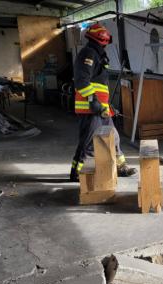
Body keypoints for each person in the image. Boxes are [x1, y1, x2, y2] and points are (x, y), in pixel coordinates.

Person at [69, 24, 136, 182]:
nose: (105, 43)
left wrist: (106, 105)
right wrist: (94, 103)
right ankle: (78, 172)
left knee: (114, 137)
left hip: (100, 108)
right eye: (104, 40)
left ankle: (120, 166)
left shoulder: (97, 54)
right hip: (90, 109)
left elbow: (99, 86)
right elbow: (81, 82)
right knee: (88, 142)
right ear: (102, 40)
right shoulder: (89, 54)